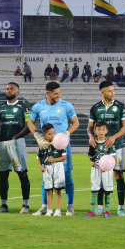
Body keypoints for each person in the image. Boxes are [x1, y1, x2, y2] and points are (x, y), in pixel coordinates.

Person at [28, 82, 80, 216]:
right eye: (55, 93)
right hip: (46, 145)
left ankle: (70, 206)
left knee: (67, 174)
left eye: (59, 93)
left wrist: (67, 133)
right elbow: (30, 121)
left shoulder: (66, 105)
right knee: (46, 175)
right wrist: (36, 135)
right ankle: (45, 206)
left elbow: (76, 122)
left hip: (62, 145)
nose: (58, 95)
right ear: (48, 93)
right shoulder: (38, 106)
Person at [88, 81, 125, 217]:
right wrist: (90, 137)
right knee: (100, 173)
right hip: (100, 146)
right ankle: (100, 207)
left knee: (118, 174)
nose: (112, 93)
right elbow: (90, 127)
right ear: (103, 93)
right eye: (109, 91)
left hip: (117, 146)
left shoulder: (121, 106)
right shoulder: (95, 108)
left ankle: (121, 207)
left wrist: (113, 138)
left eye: (113, 90)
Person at [0, 82, 32, 214]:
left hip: (17, 144)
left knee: (22, 173)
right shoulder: (1, 107)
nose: (8, 91)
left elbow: (29, 127)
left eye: (11, 89)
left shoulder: (23, 107)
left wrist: (16, 137)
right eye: (7, 89)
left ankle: (26, 205)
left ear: (17, 92)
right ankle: (4, 205)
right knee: (2, 175)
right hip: (3, 145)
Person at [85, 121, 116, 218]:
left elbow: (112, 158)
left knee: (107, 190)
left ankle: (107, 211)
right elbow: (91, 156)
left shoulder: (109, 143)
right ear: (95, 131)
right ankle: (92, 211)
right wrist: (91, 162)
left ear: (106, 131)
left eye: (103, 129)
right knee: (94, 189)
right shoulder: (93, 143)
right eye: (99, 130)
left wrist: (106, 166)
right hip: (96, 169)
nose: (101, 132)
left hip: (107, 170)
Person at [37, 123, 67, 217]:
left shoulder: (59, 143)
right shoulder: (43, 145)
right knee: (49, 190)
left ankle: (58, 210)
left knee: (58, 190)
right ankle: (49, 210)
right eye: (50, 134)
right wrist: (41, 167)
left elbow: (64, 157)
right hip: (47, 168)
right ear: (44, 135)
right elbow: (39, 157)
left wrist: (54, 159)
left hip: (58, 167)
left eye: (54, 133)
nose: (53, 135)